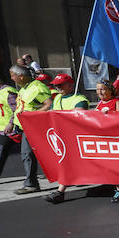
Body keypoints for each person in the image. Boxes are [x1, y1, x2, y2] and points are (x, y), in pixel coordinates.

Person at [43, 74, 90, 204]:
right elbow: (50, 115)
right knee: (66, 164)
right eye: (56, 85)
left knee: (67, 164)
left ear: (70, 85)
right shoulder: (57, 98)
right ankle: (60, 191)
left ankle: (60, 191)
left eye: (60, 85)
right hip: (61, 137)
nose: (58, 88)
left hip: (76, 139)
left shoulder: (80, 99)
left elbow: (78, 116)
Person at [9, 64, 52, 194]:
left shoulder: (37, 87)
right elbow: (21, 107)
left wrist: (32, 116)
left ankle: (31, 184)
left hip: (33, 127)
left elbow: (49, 104)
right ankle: (32, 183)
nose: (12, 78)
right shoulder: (24, 88)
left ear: (21, 76)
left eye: (13, 75)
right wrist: (12, 122)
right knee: (29, 155)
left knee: (28, 155)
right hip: (24, 127)